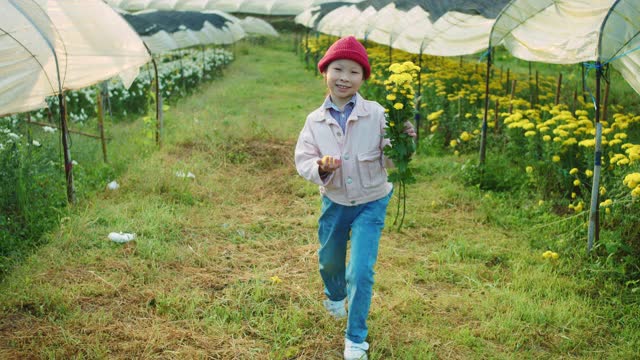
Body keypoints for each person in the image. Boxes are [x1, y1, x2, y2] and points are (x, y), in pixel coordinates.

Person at [294, 36, 415, 360]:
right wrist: (319, 167)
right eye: (338, 69)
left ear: (363, 79)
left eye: (353, 72)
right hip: (335, 202)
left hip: (372, 201)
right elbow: (303, 158)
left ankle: (356, 338)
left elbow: (391, 161)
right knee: (329, 261)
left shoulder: (377, 114)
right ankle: (334, 295)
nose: (344, 77)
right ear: (325, 72)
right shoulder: (314, 120)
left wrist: (405, 144)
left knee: (361, 271)